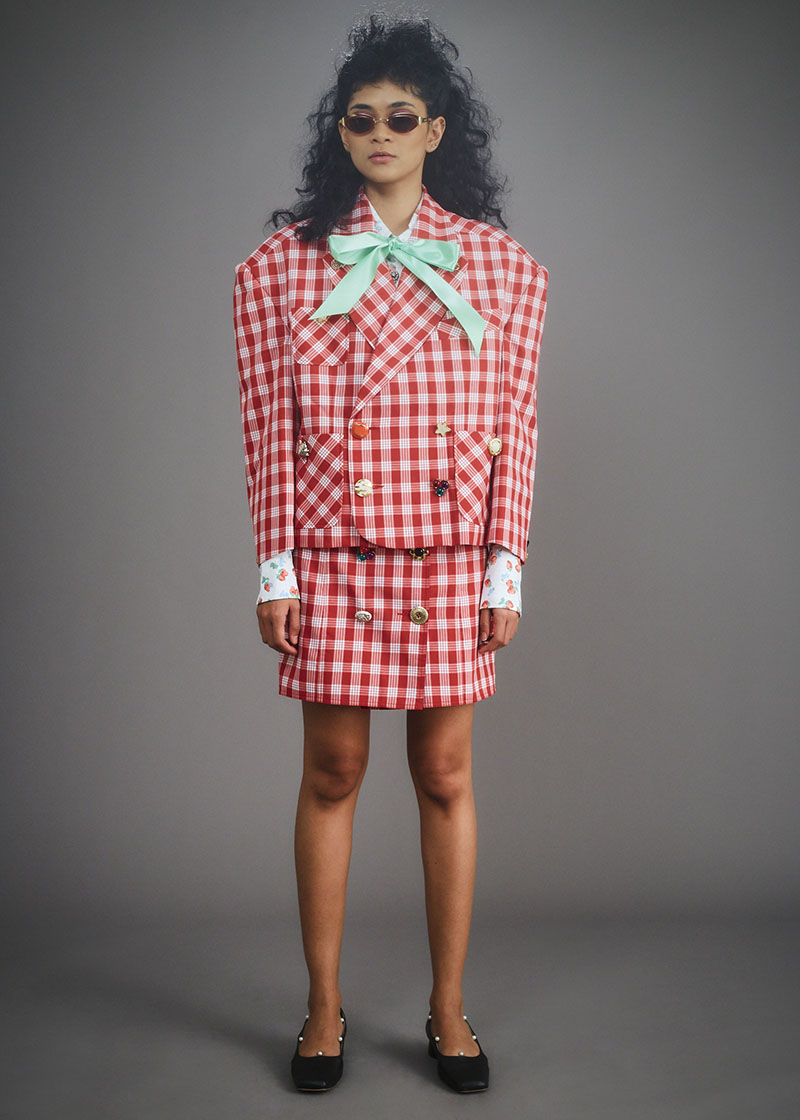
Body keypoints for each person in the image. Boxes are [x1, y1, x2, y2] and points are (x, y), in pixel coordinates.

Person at [233, 13, 548, 1094]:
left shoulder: (503, 270)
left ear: (435, 131)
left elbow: (517, 424)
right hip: (334, 552)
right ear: (342, 134)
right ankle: (322, 1006)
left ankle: (448, 1008)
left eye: (399, 118)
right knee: (332, 773)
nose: (379, 134)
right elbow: (264, 428)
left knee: (445, 775)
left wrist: (506, 563)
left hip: (449, 557)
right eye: (360, 119)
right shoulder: (279, 270)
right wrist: (274, 565)